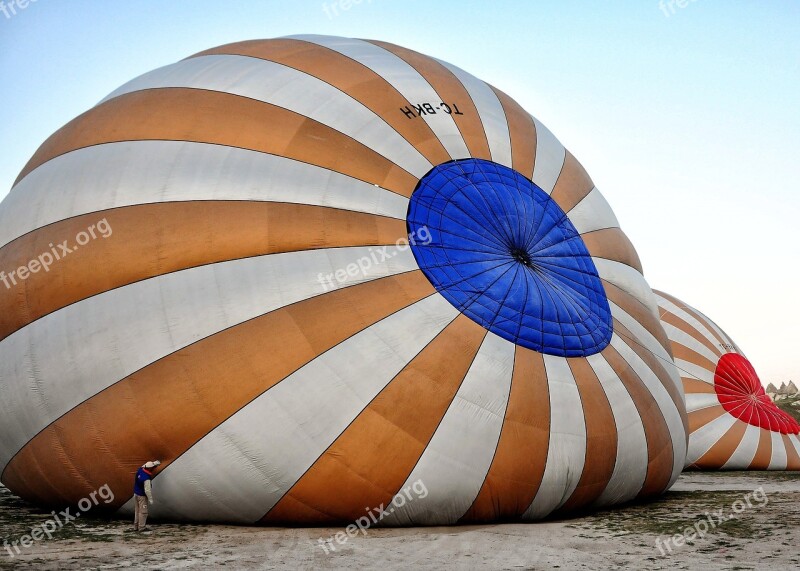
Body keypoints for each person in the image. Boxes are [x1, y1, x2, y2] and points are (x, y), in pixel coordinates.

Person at [133, 460, 161, 532]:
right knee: (143, 512)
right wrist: (150, 499)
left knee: (137, 511)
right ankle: (142, 527)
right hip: (142, 496)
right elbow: (147, 490)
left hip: (136, 494)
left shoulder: (140, 470)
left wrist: (155, 463)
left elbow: (145, 465)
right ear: (149, 469)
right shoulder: (146, 478)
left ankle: (136, 527)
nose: (153, 469)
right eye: (152, 468)